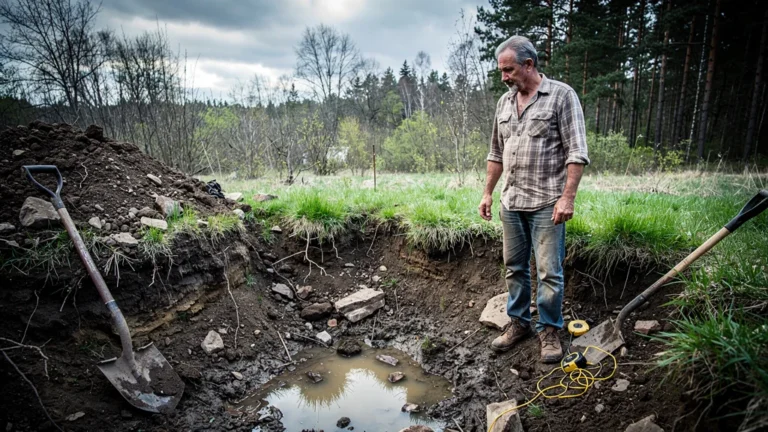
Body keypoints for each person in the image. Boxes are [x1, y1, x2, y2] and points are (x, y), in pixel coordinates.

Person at [477, 35, 589, 363]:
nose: (504, 77)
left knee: (548, 271)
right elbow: (495, 153)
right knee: (514, 267)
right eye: (501, 71)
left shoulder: (561, 96)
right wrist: (487, 192)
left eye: (509, 70)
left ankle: (550, 329)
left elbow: (577, 152)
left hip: (545, 203)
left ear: (529, 65)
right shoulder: (504, 103)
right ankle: (519, 323)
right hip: (511, 203)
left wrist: (567, 198)